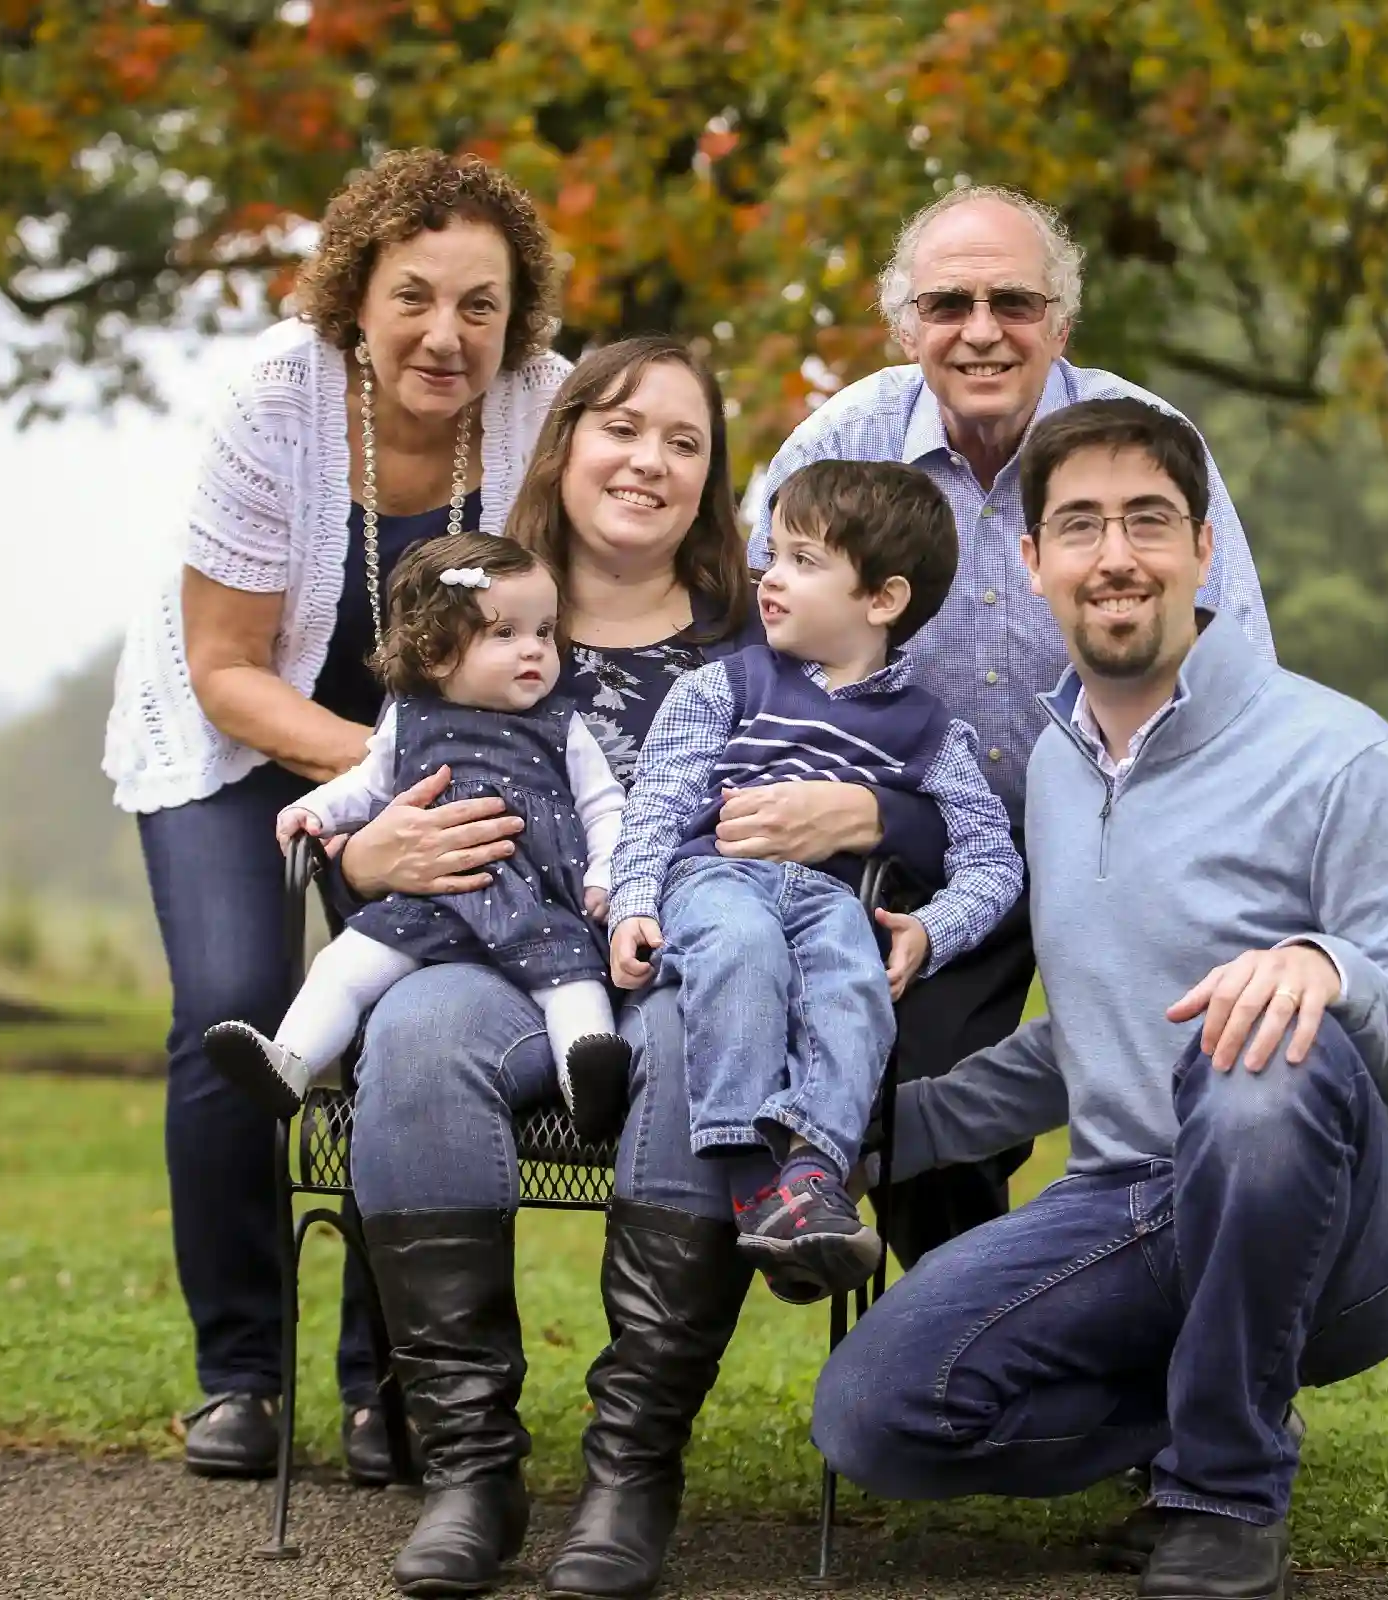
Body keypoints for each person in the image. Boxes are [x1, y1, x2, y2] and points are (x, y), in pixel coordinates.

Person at [808, 399, 1388, 1600]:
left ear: (1204, 550)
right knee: (872, 1415)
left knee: (1262, 1052)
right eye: (1078, 524)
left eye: (1148, 519)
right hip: (1128, 1212)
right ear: (1032, 565)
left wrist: (1333, 973)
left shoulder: (1335, 754)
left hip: (1348, 1240)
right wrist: (877, 1136)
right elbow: (1089, 1039)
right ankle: (1211, 1391)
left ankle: (1226, 1490)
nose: (1115, 554)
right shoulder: (1054, 774)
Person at [328, 338, 953, 1597]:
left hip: (690, 964)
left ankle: (631, 1467)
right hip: (487, 952)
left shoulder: (762, 630)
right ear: (565, 445)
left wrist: (867, 821)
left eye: (685, 440)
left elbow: (928, 796)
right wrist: (367, 859)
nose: (650, 460)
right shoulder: (470, 602)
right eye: (622, 427)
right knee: (412, 1039)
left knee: (686, 1051)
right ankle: (471, 1468)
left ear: (713, 477)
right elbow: (379, 784)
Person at [101, 147, 568, 1485]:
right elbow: (229, 665)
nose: (446, 332)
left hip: (445, 754)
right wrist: (383, 773)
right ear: (354, 294)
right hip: (244, 734)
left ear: (516, 316)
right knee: (236, 1003)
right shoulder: (274, 405)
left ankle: (388, 1384)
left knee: (405, 1019)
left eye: (480, 304)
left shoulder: (541, 409)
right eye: (414, 295)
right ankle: (240, 1376)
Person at [744, 184, 1273, 1267]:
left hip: (1130, 824)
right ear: (906, 327)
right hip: (929, 841)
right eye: (948, 304)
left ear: (1061, 322)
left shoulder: (1139, 447)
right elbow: (759, 660)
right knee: (924, 1102)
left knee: (1186, 1084)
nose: (981, 331)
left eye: (1013, 303)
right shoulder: (837, 447)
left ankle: (1195, 1337)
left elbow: (1236, 663)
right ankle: (992, 1354)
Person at [608, 460, 1022, 1304]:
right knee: (743, 943)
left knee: (854, 981)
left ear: (883, 599)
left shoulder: (929, 731)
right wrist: (635, 903)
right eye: (774, 555)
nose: (771, 579)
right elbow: (657, 803)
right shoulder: (724, 684)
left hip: (831, 899)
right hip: (716, 881)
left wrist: (932, 929)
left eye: (803, 560)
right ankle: (751, 1172)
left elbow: (994, 858)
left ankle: (810, 1177)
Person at [202, 534, 631, 1141]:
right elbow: (366, 784)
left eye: (544, 631)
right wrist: (314, 812)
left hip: (536, 902)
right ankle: (289, 1062)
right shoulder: (410, 718)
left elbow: (604, 805)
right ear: (434, 654)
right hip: (431, 900)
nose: (534, 649)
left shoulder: (562, 725)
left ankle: (587, 1078)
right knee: (342, 966)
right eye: (504, 633)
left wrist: (604, 874)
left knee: (572, 984)